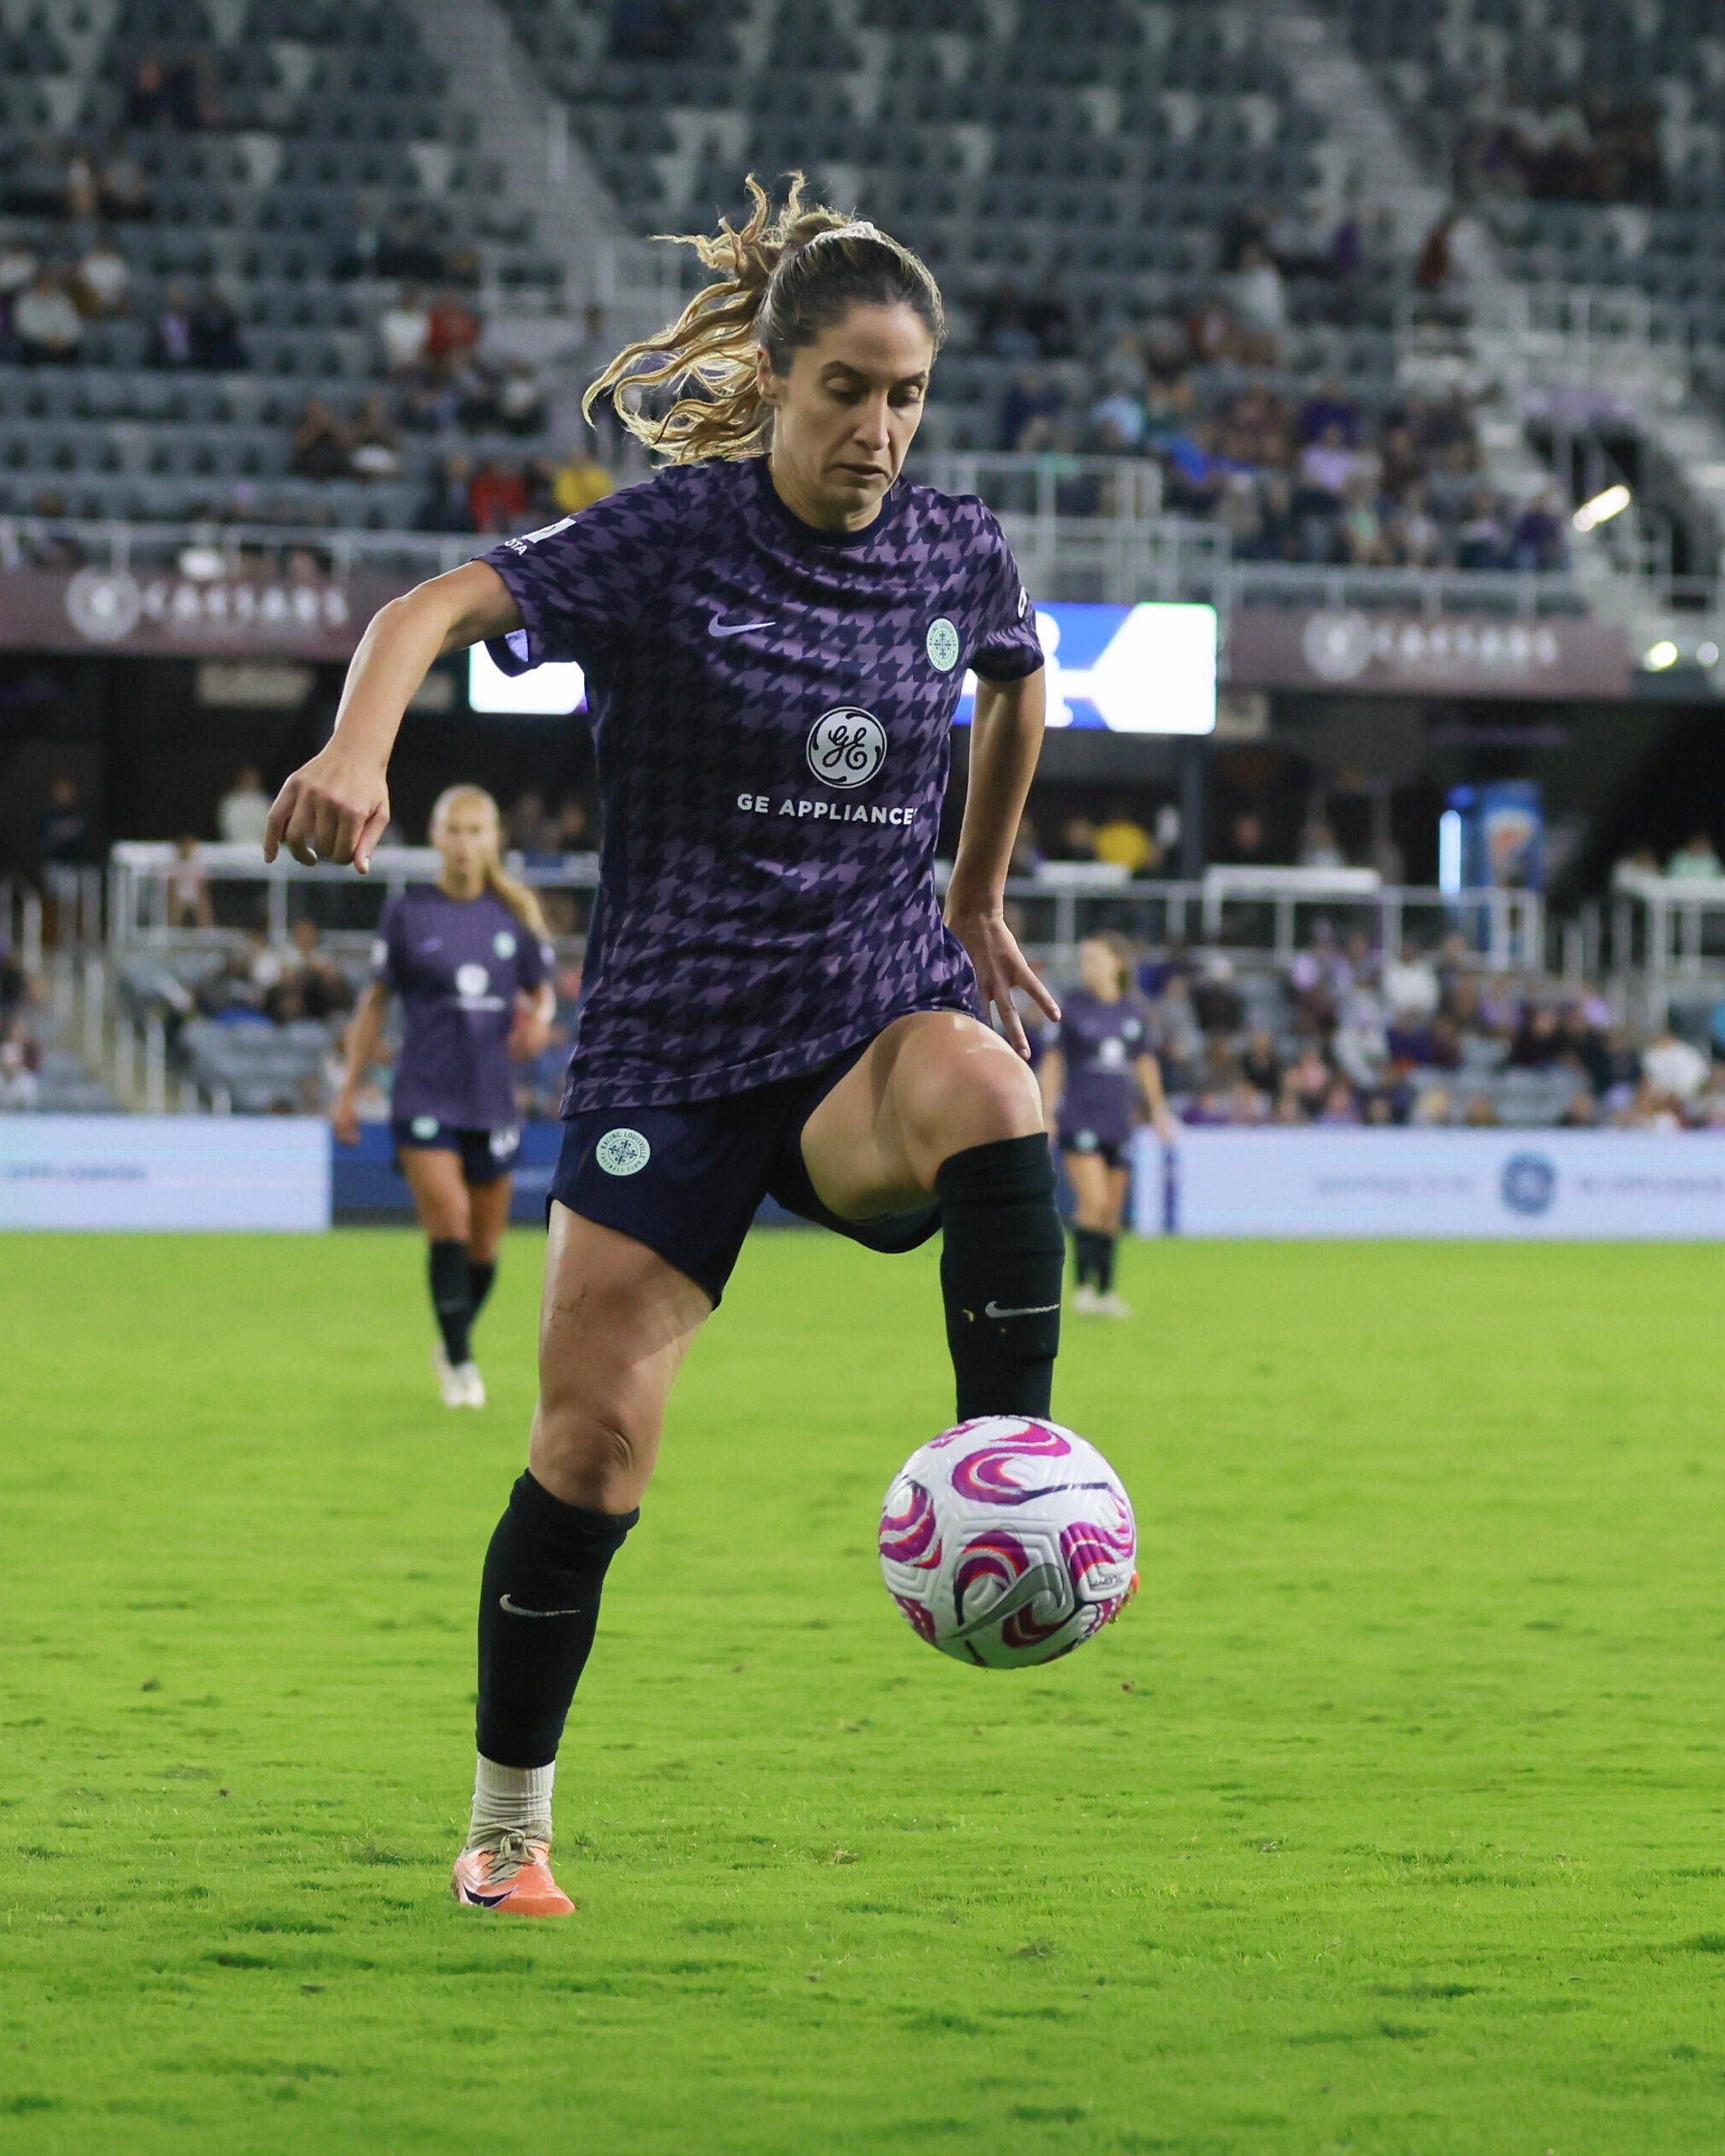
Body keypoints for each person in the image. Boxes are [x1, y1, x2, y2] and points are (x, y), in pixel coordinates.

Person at [264, 176, 1060, 1920]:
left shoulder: (954, 543)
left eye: (905, 392)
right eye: (845, 386)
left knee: (993, 1089)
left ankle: (1012, 1481)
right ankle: (506, 1821)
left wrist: (979, 896)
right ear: (776, 377)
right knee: (592, 1450)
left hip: (864, 1020)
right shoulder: (672, 537)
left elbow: (1018, 679)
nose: (877, 425)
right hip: (675, 1047)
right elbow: (429, 609)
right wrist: (358, 748)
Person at [333, 787, 556, 1407]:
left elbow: (544, 995)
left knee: (485, 1249)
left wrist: (539, 1020)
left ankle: (450, 1337)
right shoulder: (409, 912)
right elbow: (374, 1003)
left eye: (476, 830)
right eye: (453, 830)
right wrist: (348, 1091)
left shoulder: (514, 916)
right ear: (436, 837)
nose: (465, 843)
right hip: (424, 1093)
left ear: (495, 839)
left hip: (491, 1098)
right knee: (451, 1222)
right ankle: (461, 1364)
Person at [1037, 936, 1174, 1319]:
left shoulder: (1133, 1012)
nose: (1088, 966)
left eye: (1095, 958)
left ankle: (1107, 1291)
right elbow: (1053, 1062)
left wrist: (1159, 1112)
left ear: (1117, 963)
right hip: (1081, 1117)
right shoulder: (1073, 1009)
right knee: (1092, 1202)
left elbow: (1145, 1064)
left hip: (1119, 1120)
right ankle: (1082, 1289)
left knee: (1112, 1212)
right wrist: (1047, 1110)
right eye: (1085, 959)